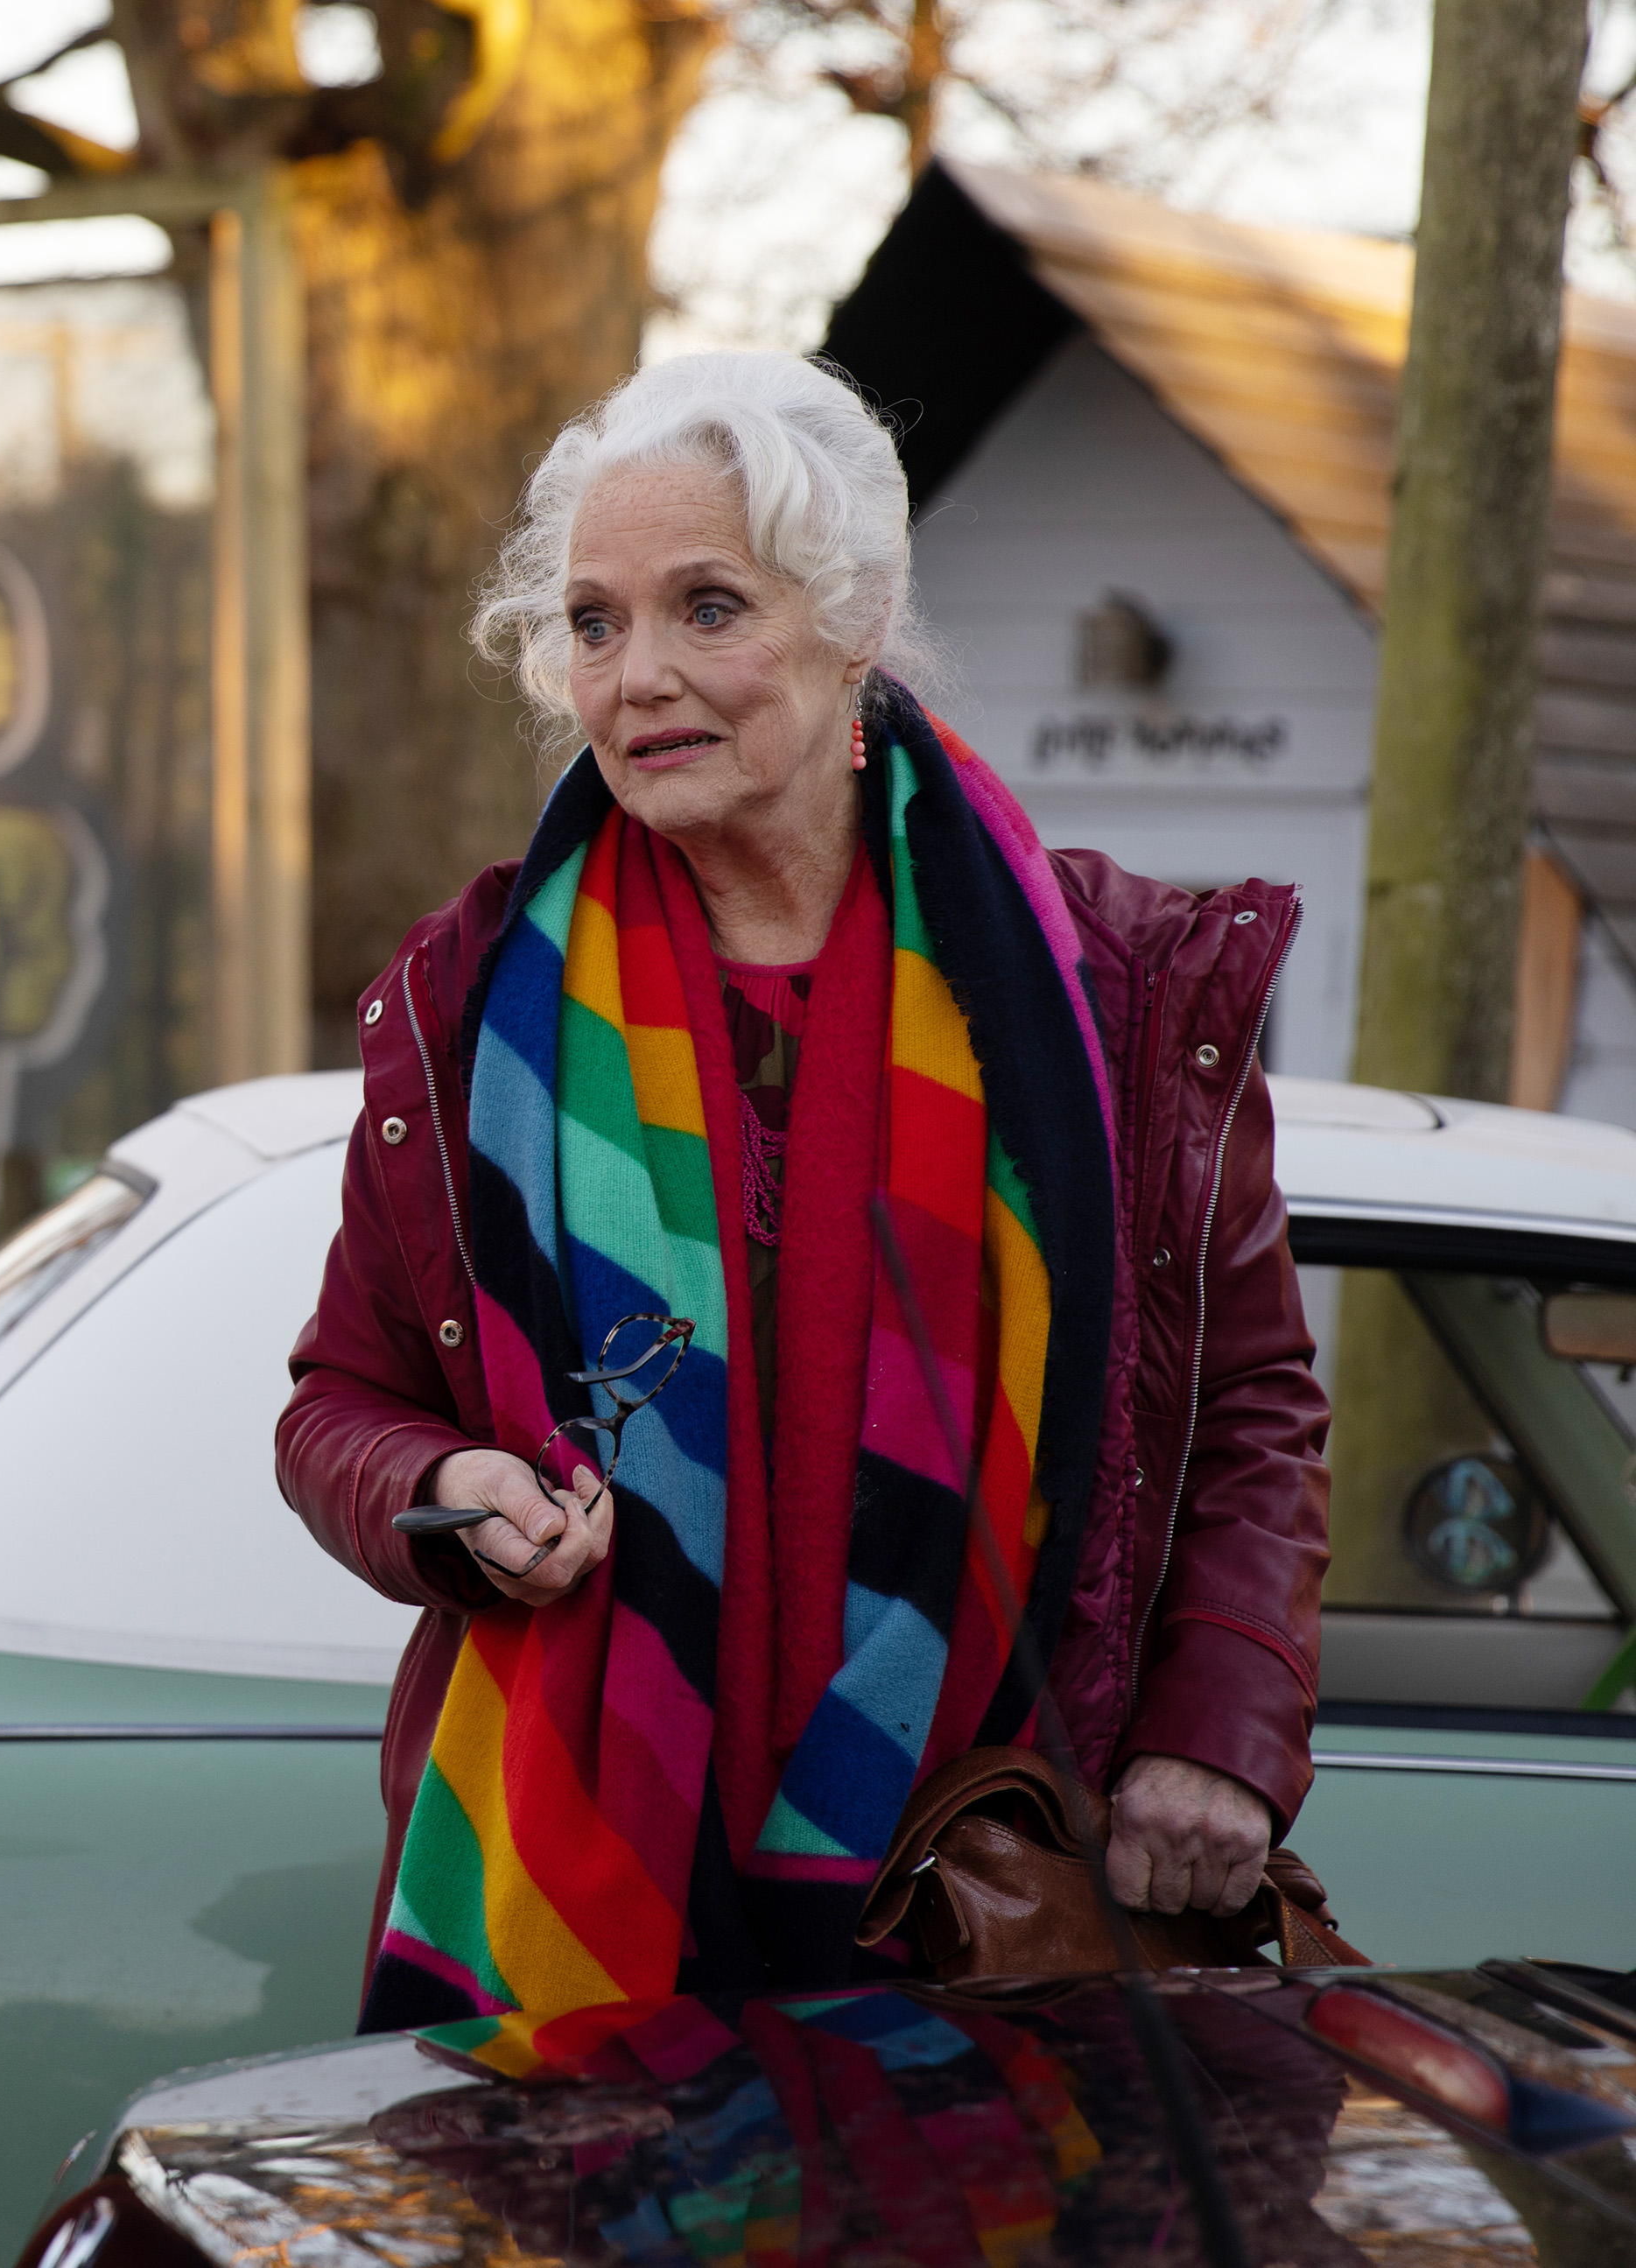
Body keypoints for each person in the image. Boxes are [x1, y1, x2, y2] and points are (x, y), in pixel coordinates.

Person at [277, 353, 1327, 2043]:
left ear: (856, 617)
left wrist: (1221, 1728)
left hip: (973, 1901)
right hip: (577, 1889)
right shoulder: (470, 1004)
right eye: (596, 623)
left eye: (710, 607)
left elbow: (1250, 1407)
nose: (640, 680)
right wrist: (445, 1481)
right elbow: (341, 1402)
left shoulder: (1117, 992)